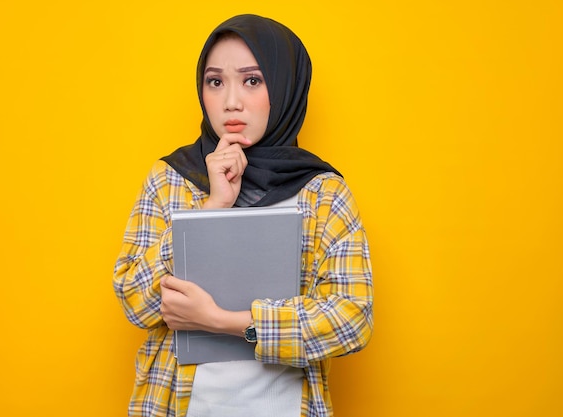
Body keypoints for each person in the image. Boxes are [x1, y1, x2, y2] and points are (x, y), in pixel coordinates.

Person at [113, 14, 373, 417]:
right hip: (179, 403)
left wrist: (225, 321)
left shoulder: (323, 193)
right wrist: (211, 208)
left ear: (285, 86)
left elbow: (351, 318)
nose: (231, 101)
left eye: (252, 80)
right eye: (215, 82)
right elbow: (134, 302)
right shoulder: (171, 180)